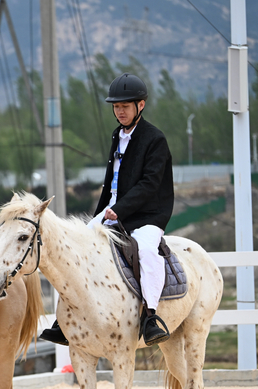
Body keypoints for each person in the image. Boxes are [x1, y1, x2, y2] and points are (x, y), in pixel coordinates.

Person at [41, 73, 174, 346]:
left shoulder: (155, 139)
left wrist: (120, 210)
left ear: (141, 105)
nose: (120, 111)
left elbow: (149, 185)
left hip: (147, 215)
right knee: (72, 250)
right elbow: (111, 183)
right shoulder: (118, 135)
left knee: (146, 250)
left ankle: (150, 316)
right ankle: (63, 320)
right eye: (116, 107)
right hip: (114, 211)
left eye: (125, 106)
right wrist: (99, 215)